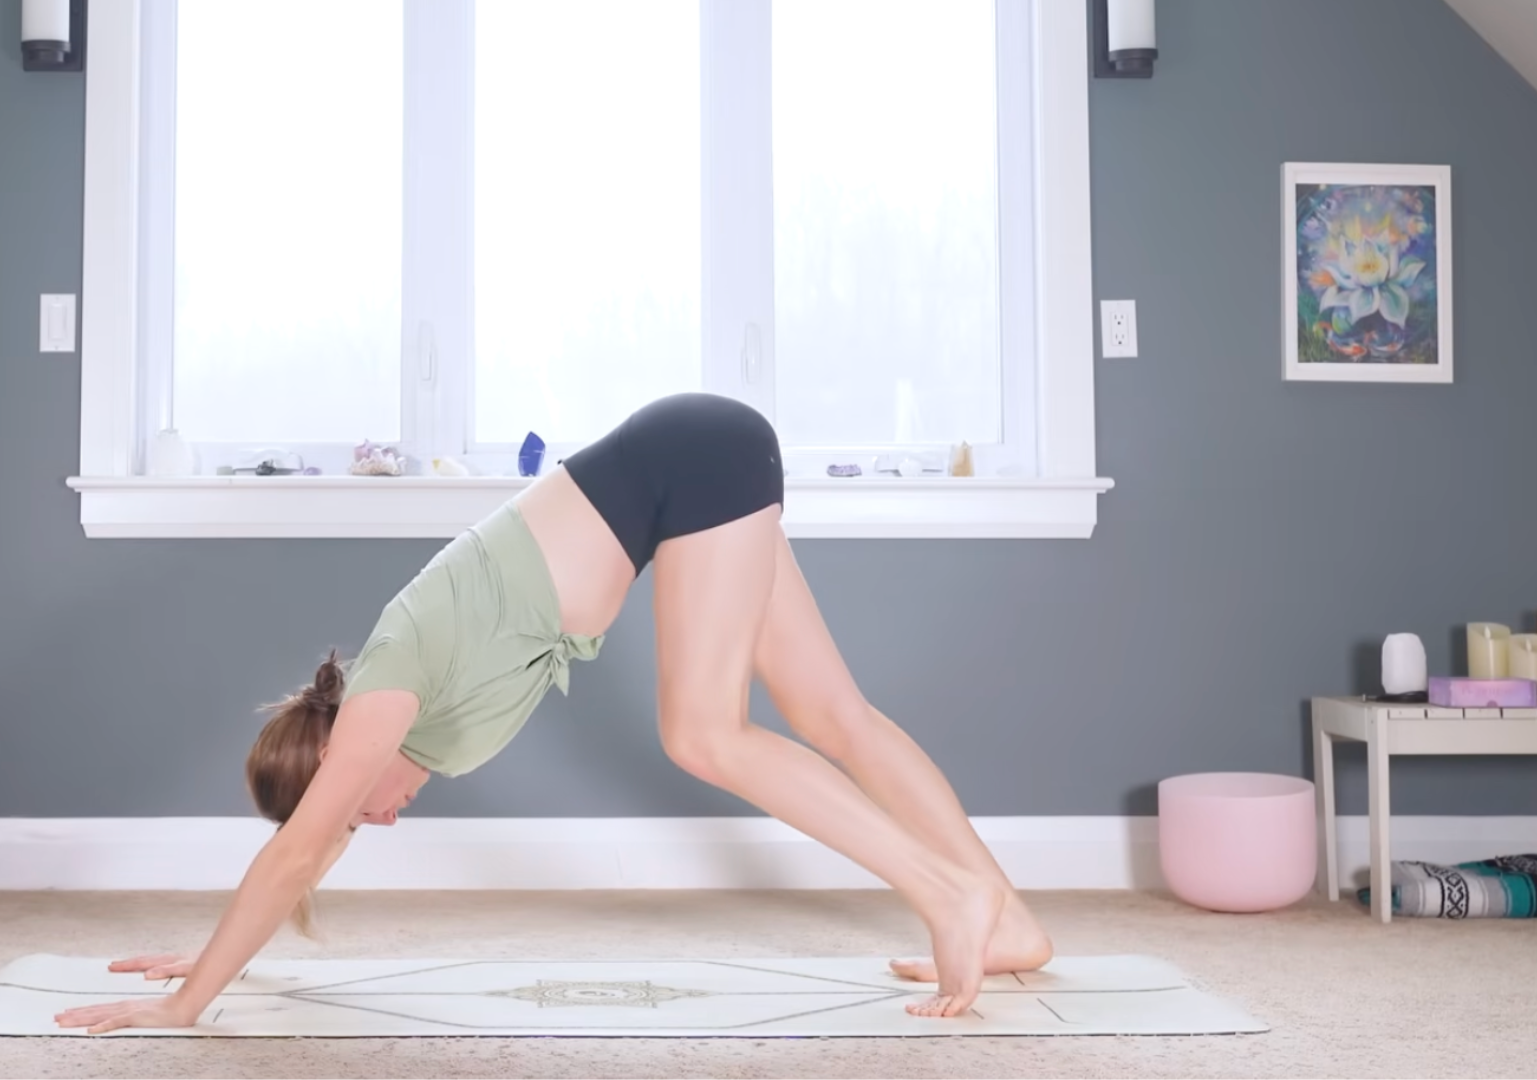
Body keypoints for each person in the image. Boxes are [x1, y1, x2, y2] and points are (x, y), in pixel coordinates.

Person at [55, 392, 1052, 1033]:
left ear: (339, 762)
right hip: (696, 464)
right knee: (831, 712)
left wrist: (190, 1008)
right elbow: (309, 856)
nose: (383, 818)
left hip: (689, 459)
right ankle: (1004, 919)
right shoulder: (395, 723)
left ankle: (944, 891)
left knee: (703, 733)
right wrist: (223, 952)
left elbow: (297, 852)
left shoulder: (387, 687)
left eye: (362, 806)